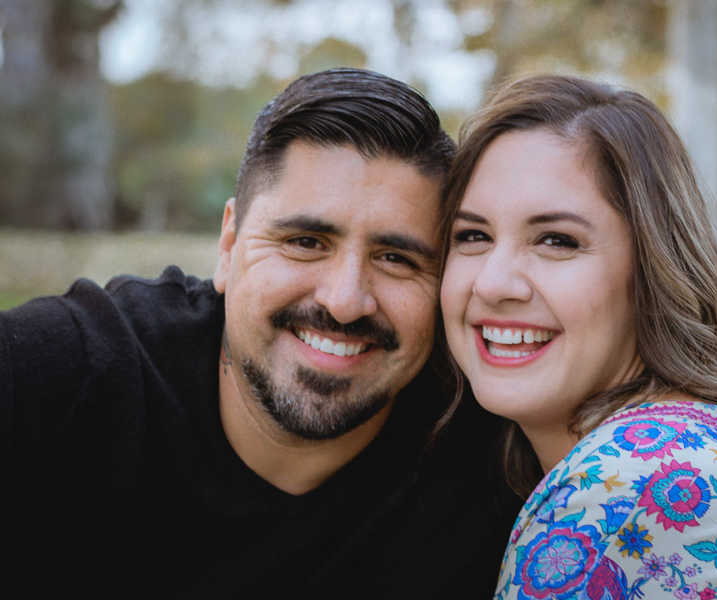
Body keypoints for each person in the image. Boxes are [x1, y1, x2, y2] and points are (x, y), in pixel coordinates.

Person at [1, 68, 517, 598]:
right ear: (229, 246)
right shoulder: (67, 372)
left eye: (395, 258)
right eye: (306, 242)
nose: (343, 301)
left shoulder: (497, 452)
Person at [439, 74, 717, 600]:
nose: (494, 283)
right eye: (472, 235)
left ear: (652, 271)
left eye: (557, 241)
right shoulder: (695, 443)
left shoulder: (609, 492)